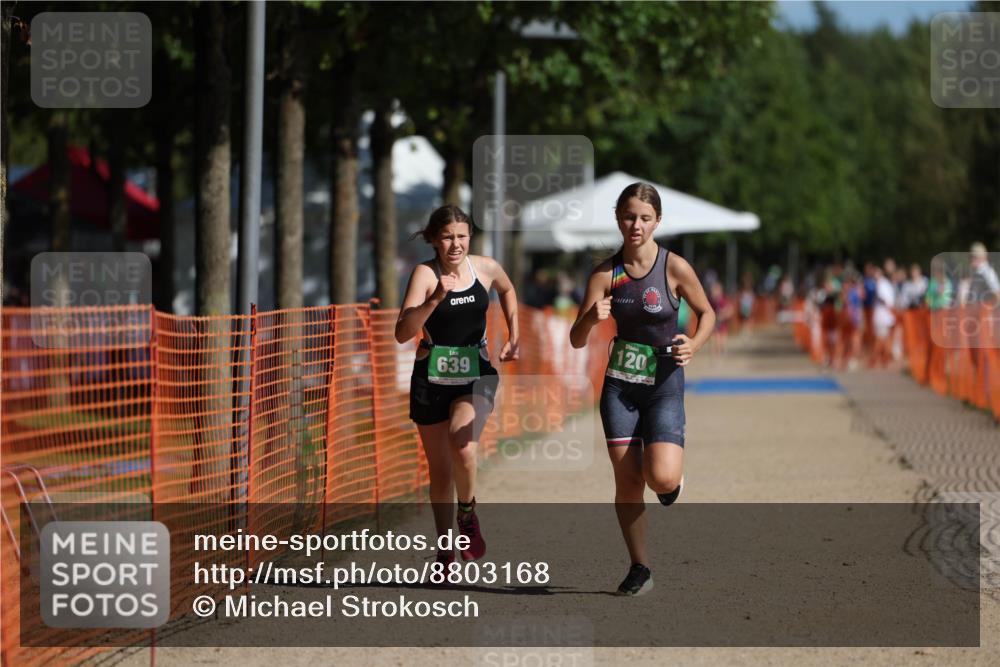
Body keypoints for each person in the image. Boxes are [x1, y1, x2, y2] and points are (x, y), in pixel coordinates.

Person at [569, 182, 715, 596]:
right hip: (620, 387)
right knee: (629, 481)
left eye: (645, 218)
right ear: (618, 219)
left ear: (657, 222)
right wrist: (590, 318)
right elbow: (576, 339)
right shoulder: (606, 274)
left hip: (664, 384)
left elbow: (707, 313)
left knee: (661, 478)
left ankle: (672, 481)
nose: (636, 225)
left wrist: (694, 344)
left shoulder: (674, 267)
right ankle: (640, 567)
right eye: (629, 217)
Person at [395, 204, 519, 567]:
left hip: (476, 372)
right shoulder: (425, 274)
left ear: (470, 237)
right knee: (440, 473)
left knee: (463, 447)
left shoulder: (485, 268)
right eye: (447, 237)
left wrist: (515, 334)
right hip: (430, 377)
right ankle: (445, 552)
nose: (455, 244)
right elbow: (402, 332)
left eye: (462, 236)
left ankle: (467, 513)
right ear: (434, 240)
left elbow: (507, 289)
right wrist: (435, 298)